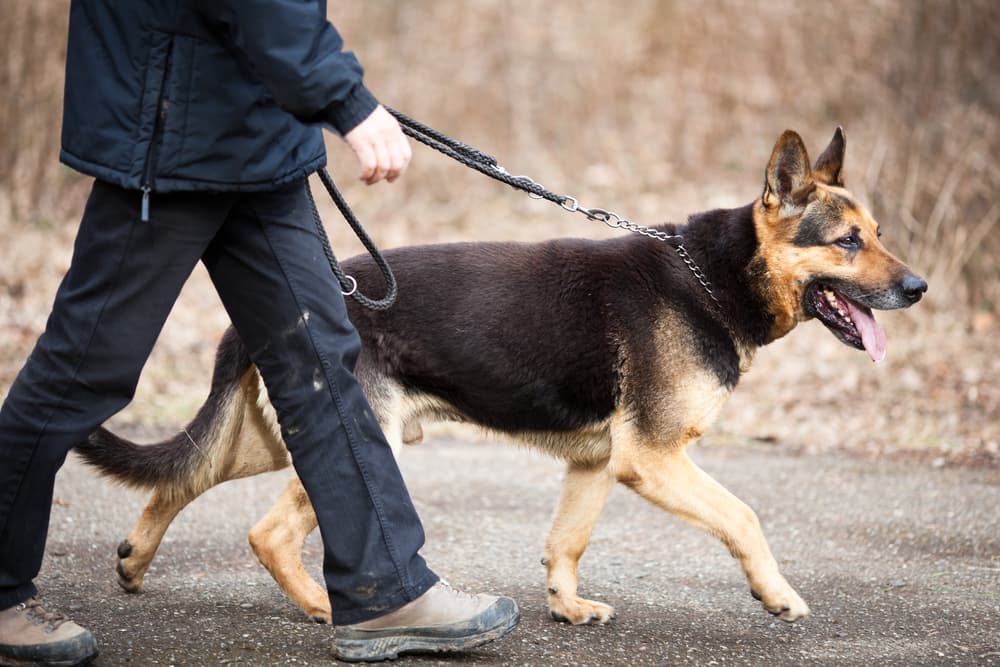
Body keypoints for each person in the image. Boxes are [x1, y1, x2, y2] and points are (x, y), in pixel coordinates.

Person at [0, 2, 519, 664]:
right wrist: (348, 100)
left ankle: (387, 589)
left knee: (321, 362)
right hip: (174, 131)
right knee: (84, 368)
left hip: (255, 137)